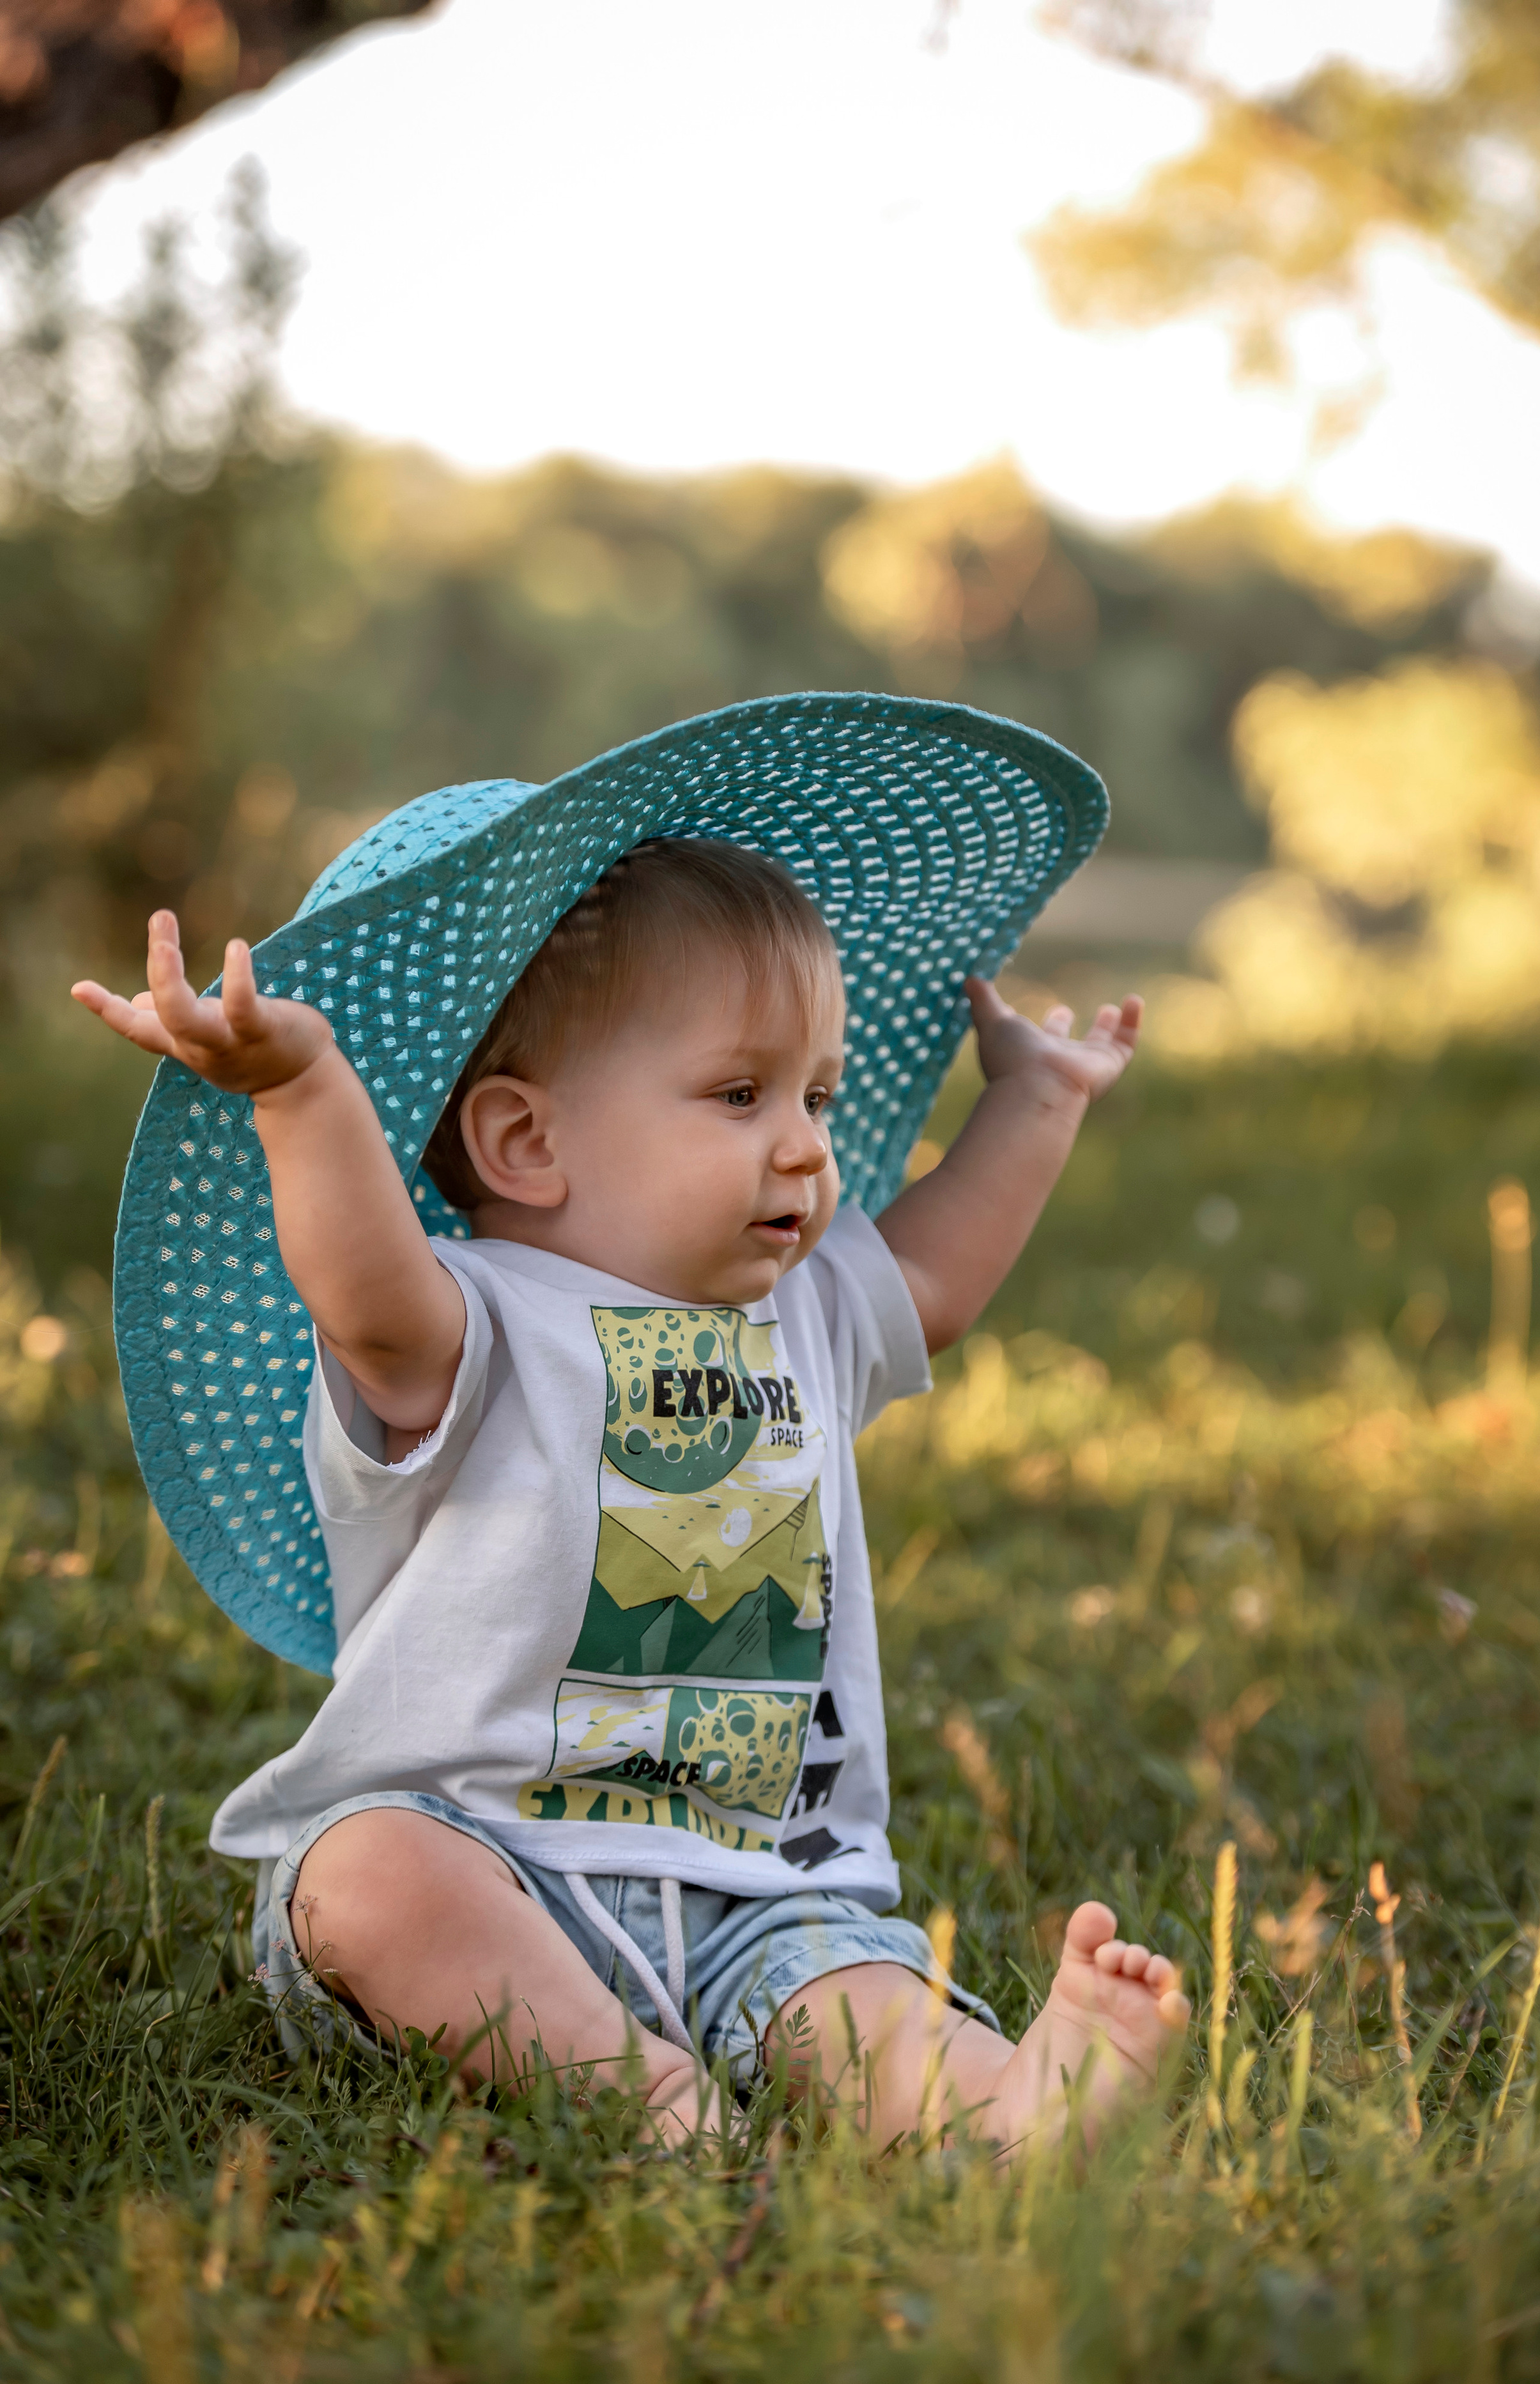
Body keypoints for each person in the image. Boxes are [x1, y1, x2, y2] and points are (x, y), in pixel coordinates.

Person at [77, 697, 1188, 2156]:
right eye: (738, 1094)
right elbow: (361, 1295)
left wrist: (1033, 1102)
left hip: (768, 1898)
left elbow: (929, 1282)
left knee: (857, 2014)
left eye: (816, 1094)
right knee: (366, 1877)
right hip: (494, 1873)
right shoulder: (471, 1324)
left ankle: (1023, 2107)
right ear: (523, 1141)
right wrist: (301, 1090)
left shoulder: (798, 1307)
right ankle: (648, 2102)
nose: (804, 1143)